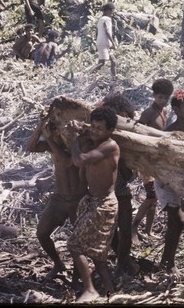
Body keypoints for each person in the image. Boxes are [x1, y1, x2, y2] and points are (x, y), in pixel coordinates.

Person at [27, 97, 87, 282]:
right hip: (59, 198)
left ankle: (80, 276)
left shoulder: (78, 142)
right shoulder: (52, 145)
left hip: (79, 198)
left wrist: (50, 140)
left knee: (78, 242)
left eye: (55, 130)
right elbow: (30, 147)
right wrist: (40, 128)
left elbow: (68, 161)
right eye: (52, 130)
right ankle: (58, 264)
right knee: (42, 233)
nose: (54, 134)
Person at [66, 106, 120, 303]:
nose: (95, 131)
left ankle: (90, 290)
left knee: (74, 245)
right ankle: (110, 291)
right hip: (93, 201)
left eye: (100, 128)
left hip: (104, 204)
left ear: (110, 131)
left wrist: (73, 139)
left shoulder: (110, 146)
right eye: (93, 126)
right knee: (98, 254)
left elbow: (80, 160)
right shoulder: (94, 142)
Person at [153, 90, 184, 280]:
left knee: (174, 224)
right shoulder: (169, 132)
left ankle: (165, 260)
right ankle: (170, 264)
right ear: (176, 109)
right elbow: (159, 161)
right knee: (179, 222)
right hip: (167, 181)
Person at [102, 94, 141, 277]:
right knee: (110, 231)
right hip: (106, 188)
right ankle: (125, 261)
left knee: (124, 229)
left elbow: (131, 171)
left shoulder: (130, 133)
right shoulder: (103, 133)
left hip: (121, 187)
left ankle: (121, 266)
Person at [131, 78, 174, 244]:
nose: (163, 101)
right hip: (146, 160)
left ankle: (148, 231)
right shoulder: (148, 113)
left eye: (166, 98)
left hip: (157, 160)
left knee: (155, 198)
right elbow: (137, 134)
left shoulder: (163, 112)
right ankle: (134, 227)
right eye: (160, 97)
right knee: (151, 196)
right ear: (154, 96)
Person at [92, 3, 118, 78]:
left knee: (113, 61)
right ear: (108, 11)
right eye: (112, 10)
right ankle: (90, 76)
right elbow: (107, 31)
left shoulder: (101, 19)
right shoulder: (107, 19)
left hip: (103, 43)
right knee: (101, 63)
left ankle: (114, 78)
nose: (112, 13)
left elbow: (97, 32)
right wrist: (113, 43)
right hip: (104, 44)